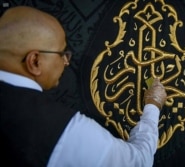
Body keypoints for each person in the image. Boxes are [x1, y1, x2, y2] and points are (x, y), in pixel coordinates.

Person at [0, 6, 167, 167]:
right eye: (61, 53)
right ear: (35, 61)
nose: (66, 61)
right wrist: (153, 105)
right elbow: (137, 163)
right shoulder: (62, 131)